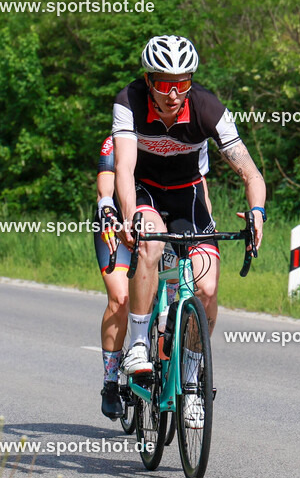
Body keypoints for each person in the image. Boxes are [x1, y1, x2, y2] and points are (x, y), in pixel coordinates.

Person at [111, 35, 265, 427]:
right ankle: (140, 344)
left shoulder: (208, 108)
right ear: (149, 81)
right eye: (165, 84)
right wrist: (129, 216)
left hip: (187, 196)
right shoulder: (128, 101)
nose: (174, 93)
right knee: (150, 243)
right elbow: (124, 169)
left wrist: (257, 212)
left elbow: (250, 172)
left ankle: (193, 384)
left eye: (183, 83)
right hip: (144, 190)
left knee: (208, 289)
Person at [93, 135, 215, 420]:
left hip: (162, 219)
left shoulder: (177, 140)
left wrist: (207, 222)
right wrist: (110, 213)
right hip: (119, 221)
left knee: (177, 289)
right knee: (121, 298)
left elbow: (200, 185)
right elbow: (105, 189)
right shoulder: (118, 138)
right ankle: (110, 382)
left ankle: (173, 365)